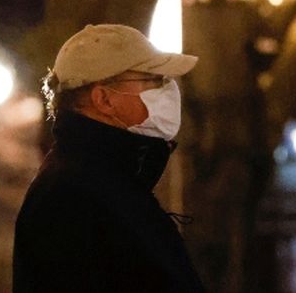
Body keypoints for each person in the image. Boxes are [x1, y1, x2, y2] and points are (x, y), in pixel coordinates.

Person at [14, 24, 206, 292]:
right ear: (104, 99)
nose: (168, 90)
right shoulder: (69, 197)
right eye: (152, 80)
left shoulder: (111, 179)